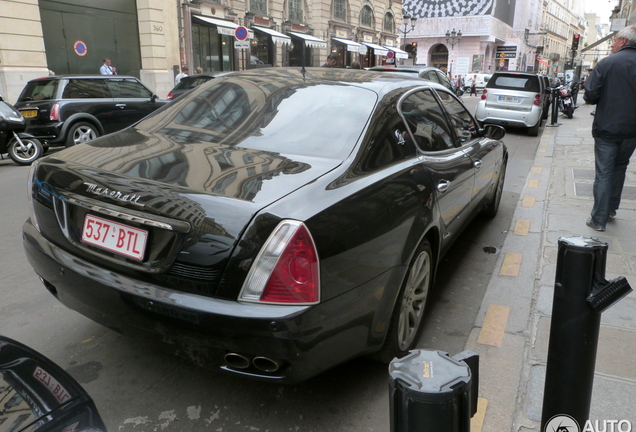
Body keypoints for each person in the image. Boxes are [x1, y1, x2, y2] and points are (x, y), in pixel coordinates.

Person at [583, 25, 636, 231]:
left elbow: (590, 96)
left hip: (607, 128)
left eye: (614, 41)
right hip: (632, 130)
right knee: (620, 168)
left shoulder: (607, 63)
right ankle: (612, 208)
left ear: (623, 41)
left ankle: (598, 219)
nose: (612, 44)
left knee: (604, 173)